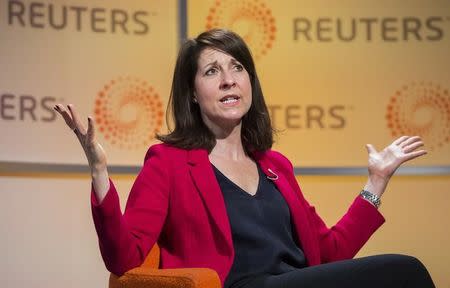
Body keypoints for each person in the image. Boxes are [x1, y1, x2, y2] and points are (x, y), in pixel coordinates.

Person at [54, 29, 435, 288]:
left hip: (294, 282)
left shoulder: (276, 166)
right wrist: (100, 172)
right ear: (192, 92)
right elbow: (124, 258)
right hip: (241, 285)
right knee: (406, 271)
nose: (229, 80)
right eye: (212, 71)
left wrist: (376, 183)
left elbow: (329, 254)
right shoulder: (168, 162)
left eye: (238, 67)